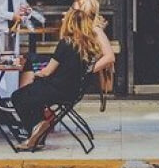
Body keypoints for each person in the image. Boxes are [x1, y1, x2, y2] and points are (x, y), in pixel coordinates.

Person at [10, 8, 103, 151]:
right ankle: (37, 136)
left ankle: (36, 128)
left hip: (57, 90)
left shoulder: (66, 43)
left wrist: (36, 74)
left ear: (70, 23)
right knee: (34, 94)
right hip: (73, 92)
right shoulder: (90, 46)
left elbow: (48, 71)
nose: (62, 21)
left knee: (18, 96)